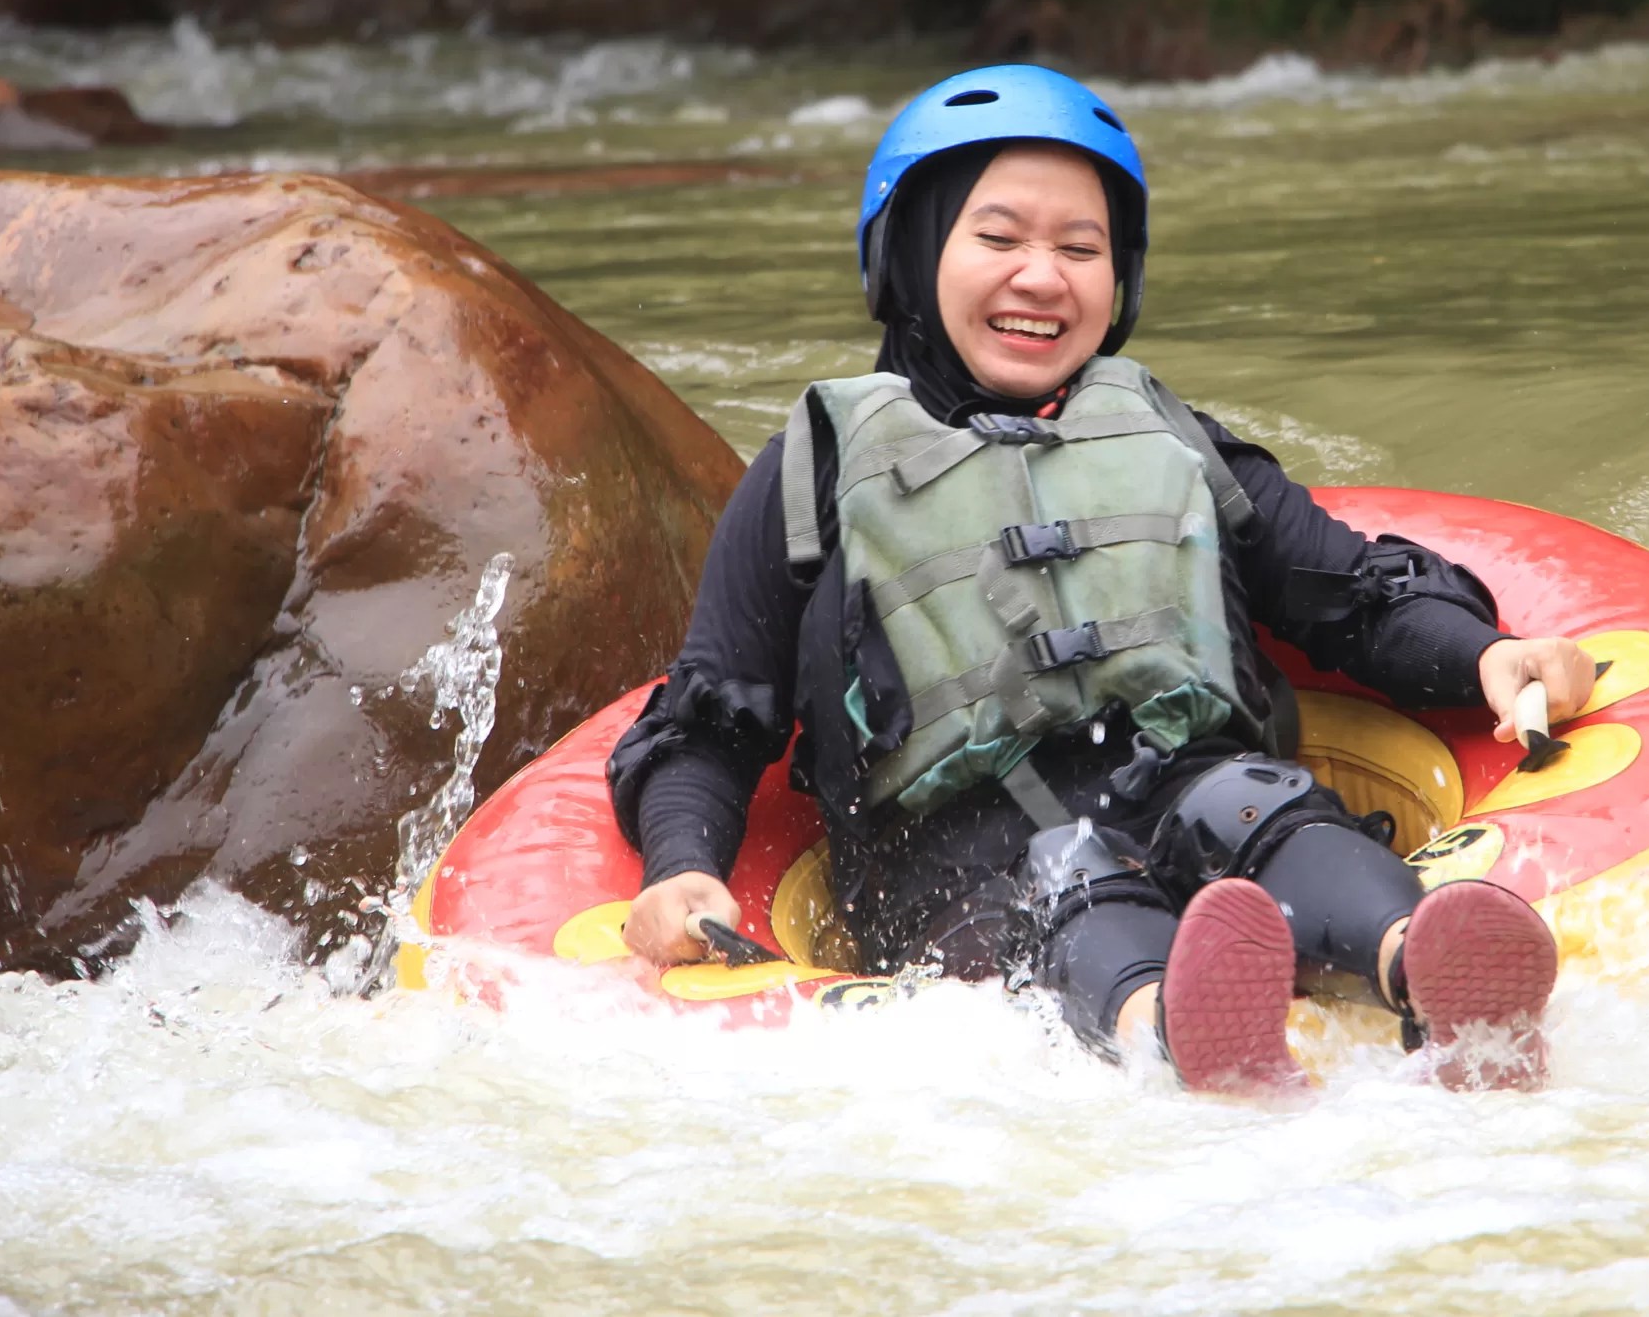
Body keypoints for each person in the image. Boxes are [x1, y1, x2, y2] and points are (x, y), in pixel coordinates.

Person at [607, 64, 1596, 1092]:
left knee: (1256, 806)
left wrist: (1485, 656)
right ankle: (1172, 1027)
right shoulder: (809, 473)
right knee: (1065, 878)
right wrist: (682, 864)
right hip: (963, 871)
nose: (1043, 278)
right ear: (909, 254)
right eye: (997, 239)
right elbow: (706, 725)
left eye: (1080, 249)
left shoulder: (1169, 438)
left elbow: (1345, 588)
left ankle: (1427, 960)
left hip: (1186, 791)